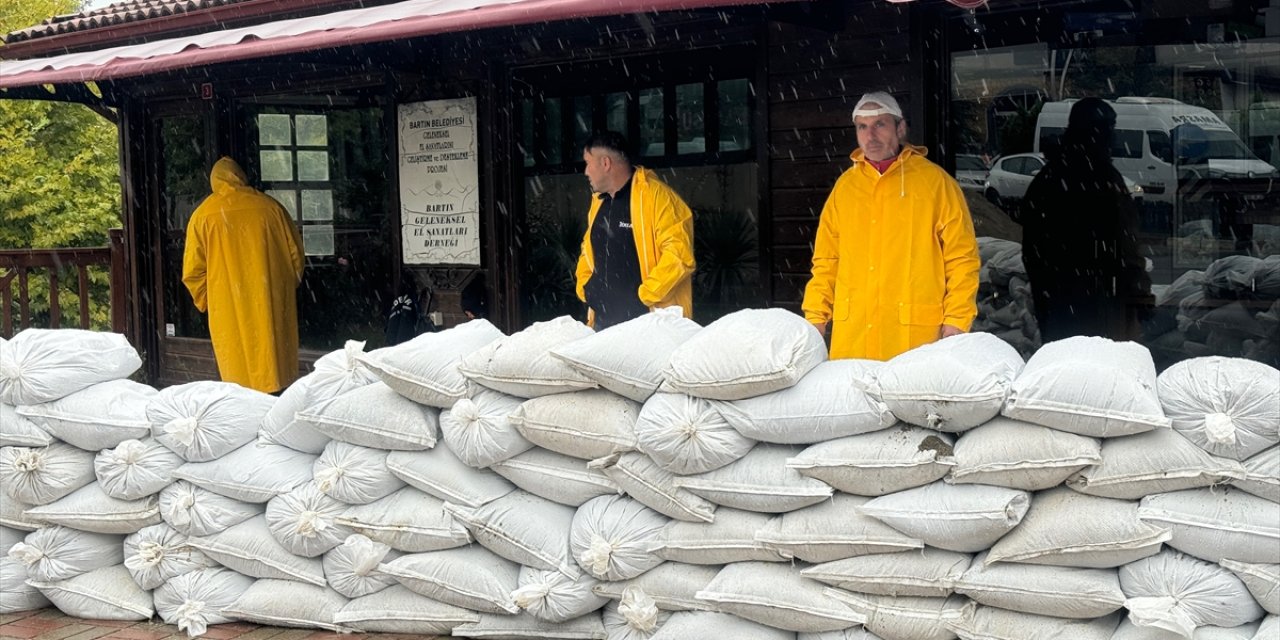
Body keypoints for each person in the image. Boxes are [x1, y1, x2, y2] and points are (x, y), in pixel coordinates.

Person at [802, 91, 981, 360]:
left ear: (900, 128)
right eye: (862, 126)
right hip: (854, 337)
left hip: (914, 337)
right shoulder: (845, 188)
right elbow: (826, 260)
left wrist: (956, 320)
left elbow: (962, 259)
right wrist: (816, 318)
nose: (870, 135)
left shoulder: (935, 184)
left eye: (880, 124)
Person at [1018, 97, 1151, 342]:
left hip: (1061, 303)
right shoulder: (1102, 180)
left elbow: (1032, 250)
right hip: (1099, 303)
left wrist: (1046, 292)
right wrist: (1138, 293)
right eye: (1109, 129)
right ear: (1098, 133)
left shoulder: (1048, 178)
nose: (1113, 137)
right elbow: (1126, 245)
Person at [182, 157, 304, 393]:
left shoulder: (203, 215)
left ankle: (243, 410)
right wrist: (285, 286)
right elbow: (296, 257)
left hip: (227, 304)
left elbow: (192, 272)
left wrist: (209, 299)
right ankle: (276, 404)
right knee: (273, 362)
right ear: (242, 177)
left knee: (237, 370)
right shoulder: (271, 208)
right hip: (269, 297)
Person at [575, 131, 696, 328]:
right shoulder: (598, 202)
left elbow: (679, 255)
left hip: (648, 327)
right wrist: (586, 288)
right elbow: (587, 249)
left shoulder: (658, 197)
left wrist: (643, 296)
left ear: (605, 163)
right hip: (602, 325)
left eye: (588, 163)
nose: (585, 171)